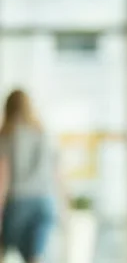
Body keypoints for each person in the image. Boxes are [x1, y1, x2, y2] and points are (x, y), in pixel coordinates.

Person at [0, 89, 60, 263]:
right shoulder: (43, 132)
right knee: (34, 257)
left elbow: (3, 173)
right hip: (45, 201)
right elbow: (57, 172)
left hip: (19, 201)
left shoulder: (7, 134)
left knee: (3, 247)